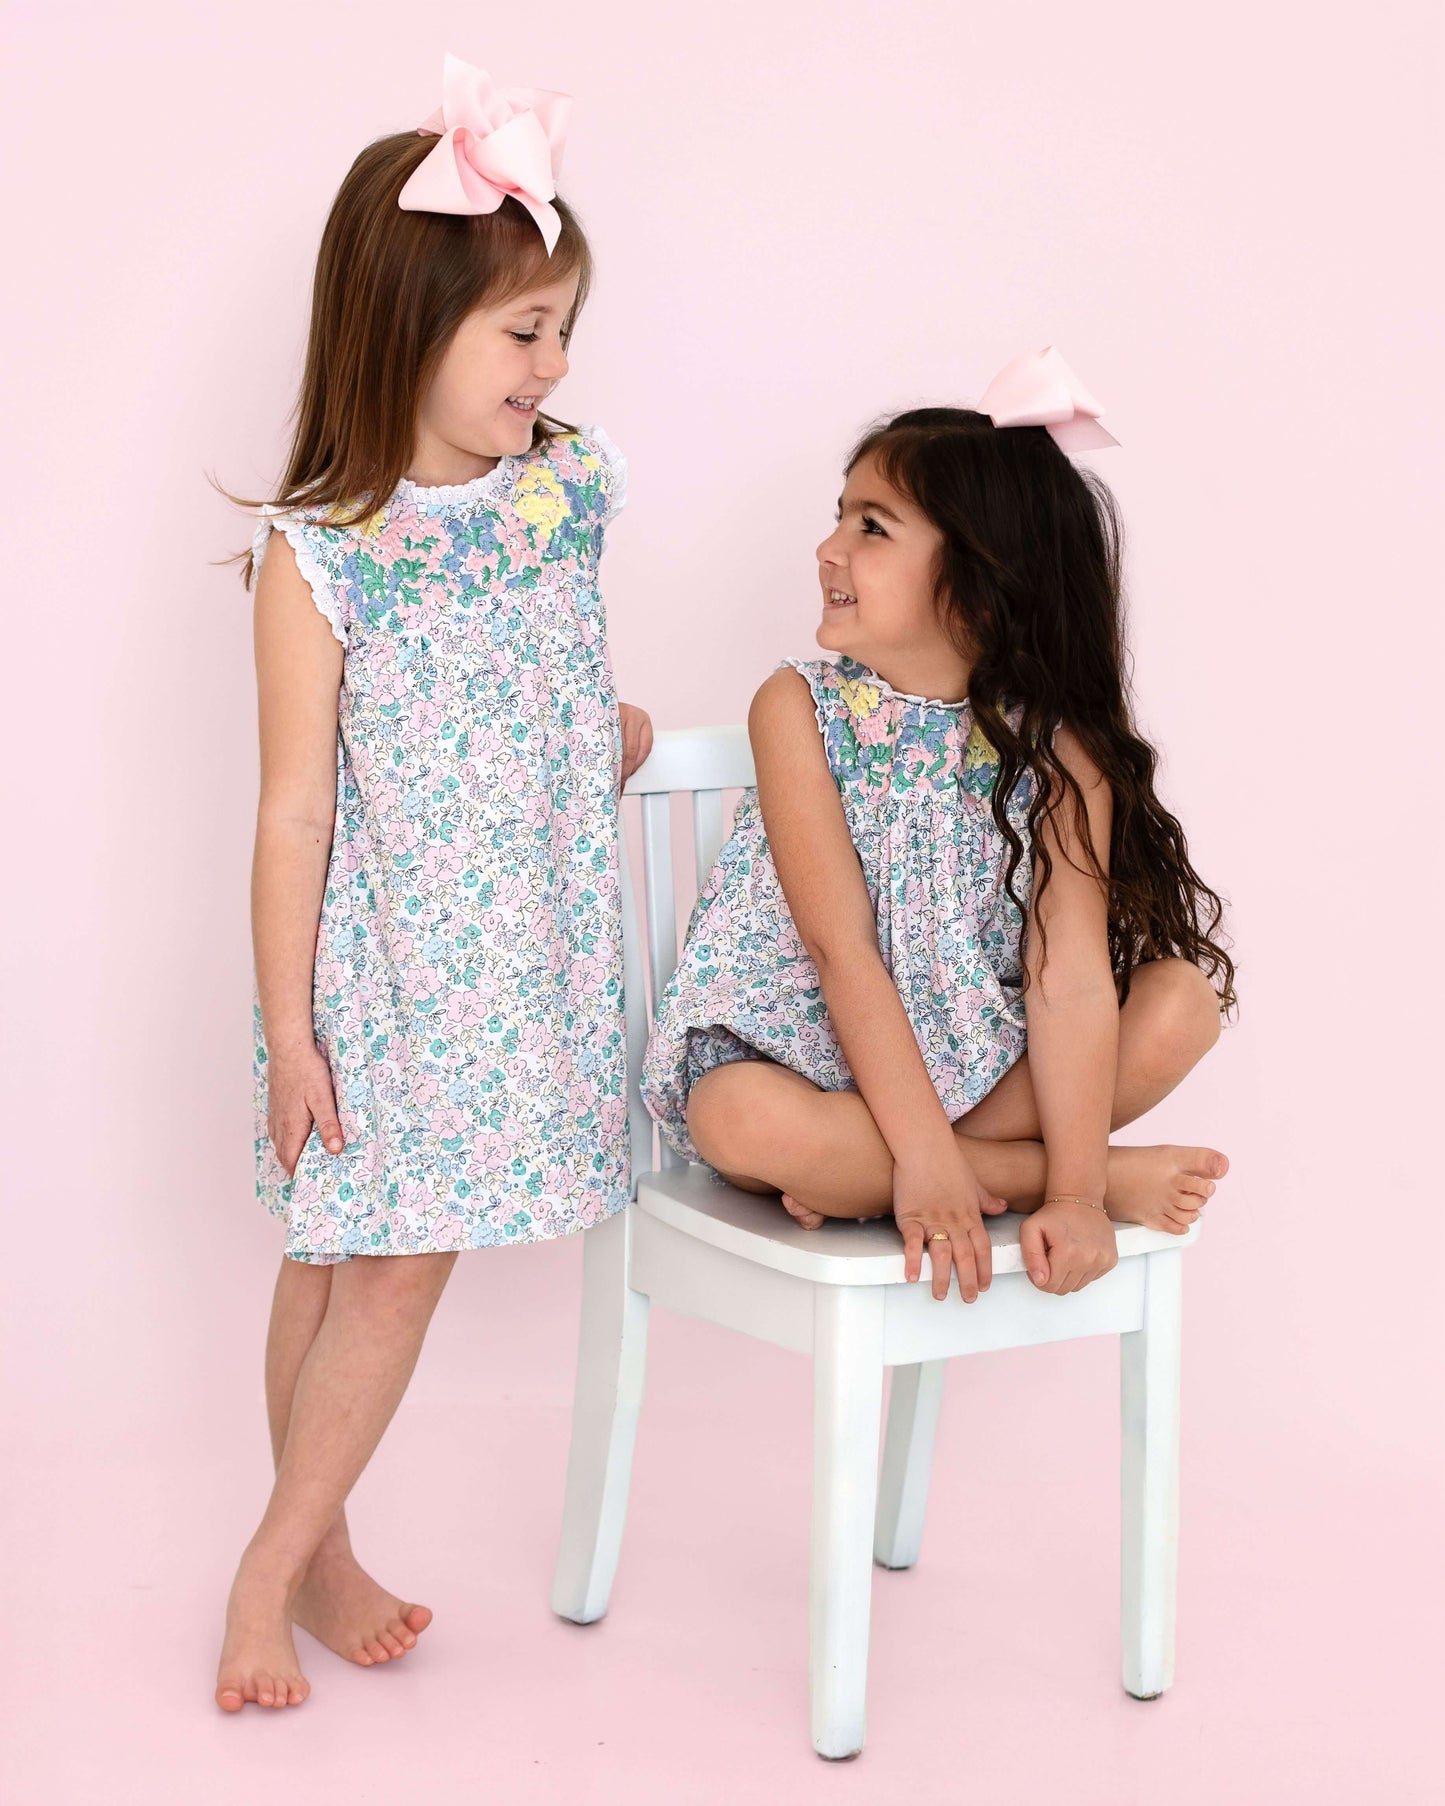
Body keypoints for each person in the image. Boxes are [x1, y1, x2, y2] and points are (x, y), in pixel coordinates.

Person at [216, 57, 652, 1712]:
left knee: (369, 1261)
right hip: (383, 976)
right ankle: (277, 1565)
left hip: (519, 963)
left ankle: (306, 1554)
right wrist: (290, 1027)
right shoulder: (324, 547)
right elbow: (293, 810)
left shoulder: (566, 490)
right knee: (364, 1260)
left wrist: (596, 732)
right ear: (408, 330)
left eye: (562, 331)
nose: (555, 365)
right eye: (524, 332)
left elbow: (540, 676)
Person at [642, 350, 1233, 1309]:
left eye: (871, 527)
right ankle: (1022, 1171)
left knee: (1179, 1002)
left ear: (983, 582)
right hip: (808, 1062)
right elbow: (840, 951)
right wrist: (1013, 1176)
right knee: (737, 1116)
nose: (829, 548)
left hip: (977, 1066)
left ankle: (889, 1172)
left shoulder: (1060, 752)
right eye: (839, 517)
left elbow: (1069, 981)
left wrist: (1069, 1202)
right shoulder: (797, 708)